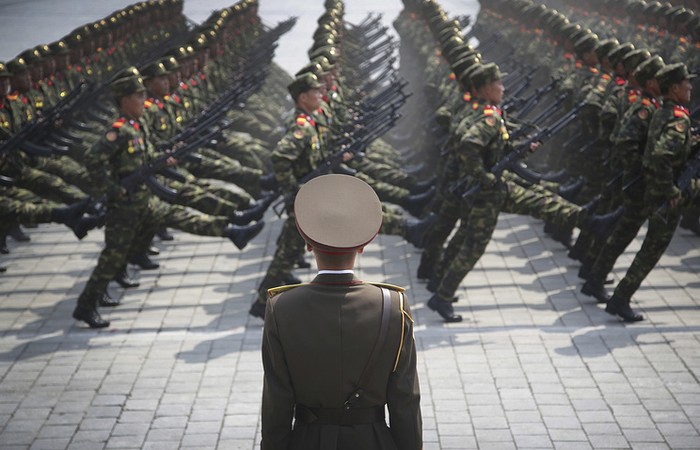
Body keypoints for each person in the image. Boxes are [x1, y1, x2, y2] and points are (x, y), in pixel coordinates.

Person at [260, 174, 422, 450]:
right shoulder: (393, 305)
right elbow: (405, 400)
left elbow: (277, 403)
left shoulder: (281, 308)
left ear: (308, 244)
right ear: (363, 245)